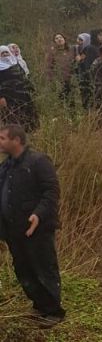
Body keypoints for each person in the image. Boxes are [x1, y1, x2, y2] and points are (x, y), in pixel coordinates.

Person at [0, 123, 65, 323]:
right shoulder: (6, 166)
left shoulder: (38, 161)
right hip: (13, 230)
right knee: (24, 270)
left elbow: (51, 191)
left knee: (44, 268)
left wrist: (39, 214)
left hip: (36, 229)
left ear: (17, 140)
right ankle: (40, 307)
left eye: (2, 138)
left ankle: (54, 312)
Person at [0, 45, 38, 131]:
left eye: (7, 52)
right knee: (13, 120)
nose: (5, 54)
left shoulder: (16, 64)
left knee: (28, 117)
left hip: (23, 96)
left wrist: (32, 90)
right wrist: (1, 97)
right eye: (3, 53)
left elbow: (24, 77)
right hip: (9, 98)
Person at [45, 33, 74, 101]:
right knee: (62, 100)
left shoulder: (70, 50)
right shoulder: (52, 52)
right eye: (56, 38)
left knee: (71, 100)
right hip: (59, 80)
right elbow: (49, 67)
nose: (59, 39)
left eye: (60, 37)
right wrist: (51, 80)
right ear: (54, 41)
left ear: (64, 39)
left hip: (71, 80)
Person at [74, 32, 100, 108]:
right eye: (78, 39)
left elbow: (88, 64)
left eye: (81, 40)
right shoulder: (78, 50)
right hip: (82, 77)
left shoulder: (90, 49)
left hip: (88, 77)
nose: (78, 41)